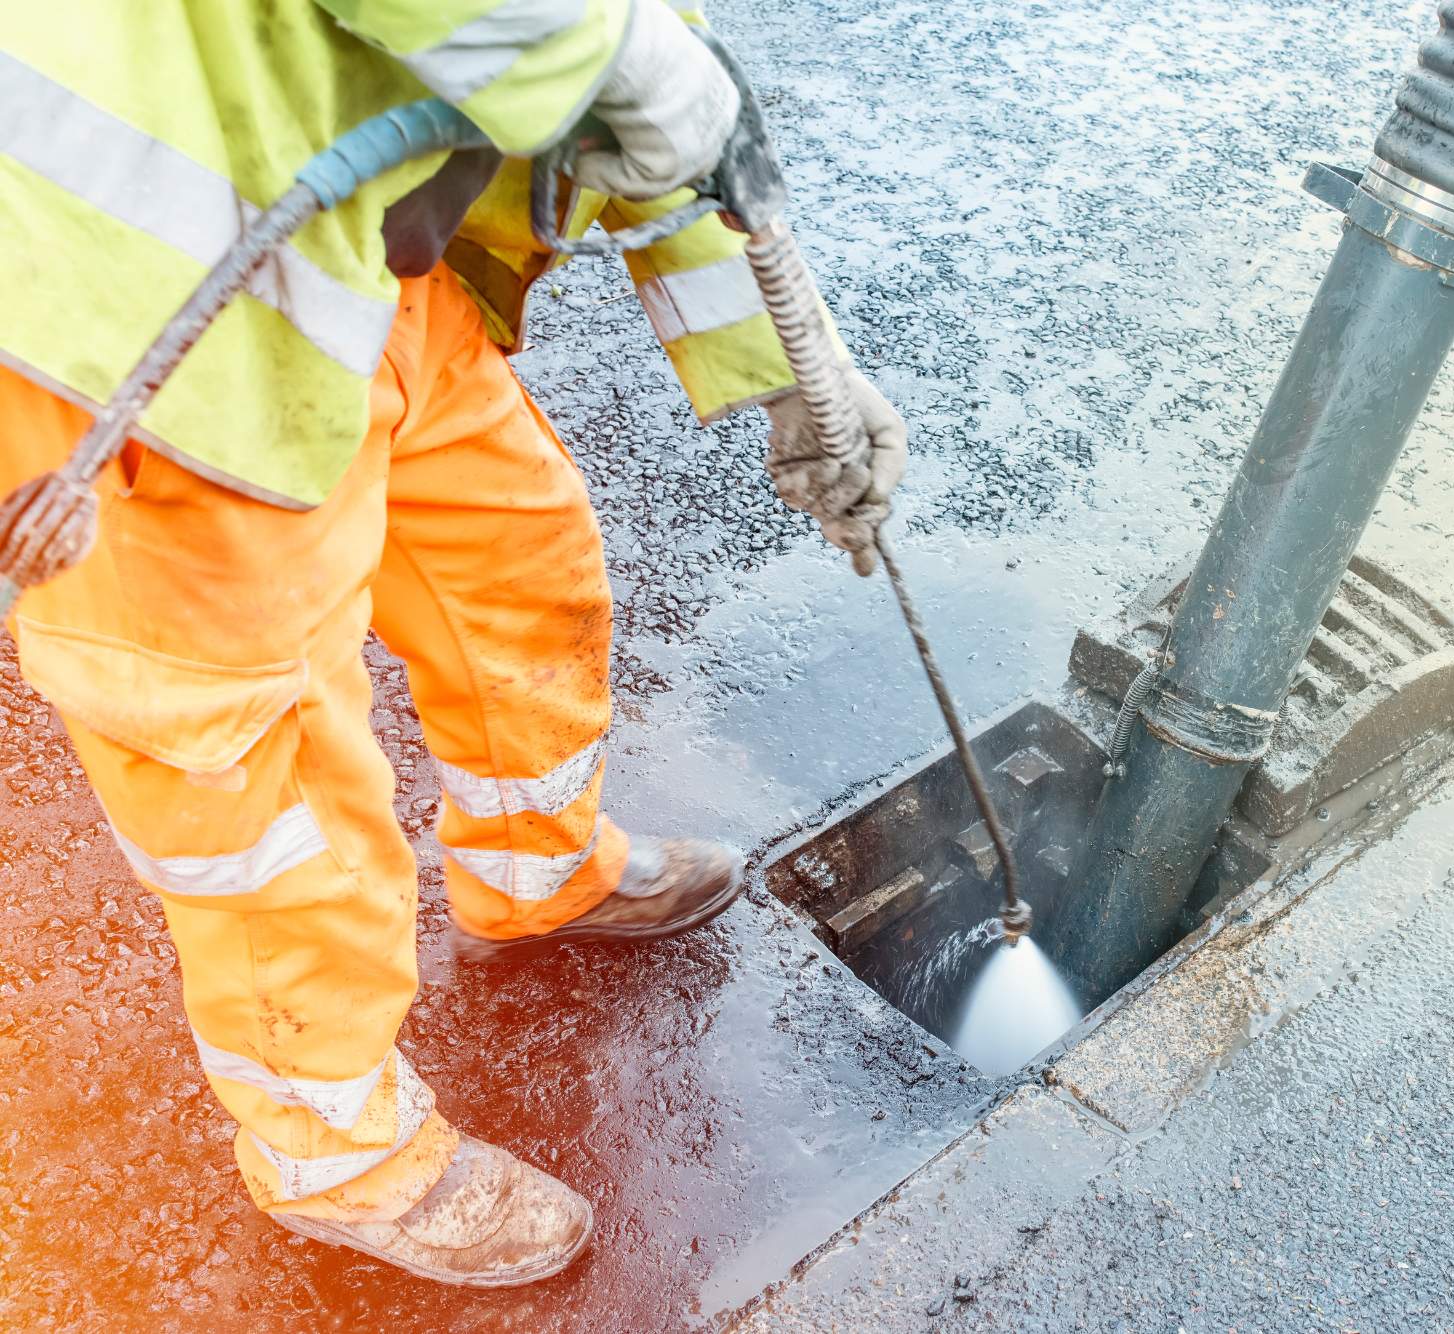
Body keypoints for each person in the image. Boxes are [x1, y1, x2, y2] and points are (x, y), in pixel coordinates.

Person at [0, 0, 906, 1287]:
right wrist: (603, 52)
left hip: (363, 251)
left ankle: (532, 868)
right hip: (141, 311)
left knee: (521, 569)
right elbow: (590, 52)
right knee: (263, 782)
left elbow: (641, 116)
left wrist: (789, 372)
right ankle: (332, 1148)